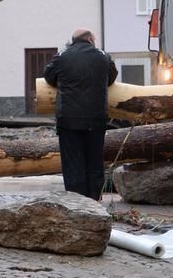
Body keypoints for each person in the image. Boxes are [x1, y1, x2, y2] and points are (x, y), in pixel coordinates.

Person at [44, 29, 118, 201]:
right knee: (94, 162)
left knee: (72, 164)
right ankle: (95, 202)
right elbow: (112, 77)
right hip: (96, 119)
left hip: (68, 120)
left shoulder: (63, 55)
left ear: (73, 40)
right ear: (91, 39)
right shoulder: (102, 56)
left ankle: (77, 203)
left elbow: (49, 76)